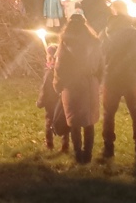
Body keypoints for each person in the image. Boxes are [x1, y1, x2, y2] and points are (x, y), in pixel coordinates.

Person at [101, 0, 136, 159]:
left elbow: (100, 56)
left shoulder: (106, 34)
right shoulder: (135, 33)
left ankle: (108, 147)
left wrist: (101, 75)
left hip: (111, 79)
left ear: (114, 12)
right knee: (135, 112)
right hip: (130, 78)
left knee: (109, 113)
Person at [53, 13, 103, 164]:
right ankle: (87, 155)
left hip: (72, 84)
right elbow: (101, 64)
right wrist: (97, 81)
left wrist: (58, 84)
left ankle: (77, 154)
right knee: (89, 122)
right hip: (89, 83)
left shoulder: (65, 42)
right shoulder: (94, 42)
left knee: (74, 122)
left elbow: (60, 66)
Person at [36, 44, 69, 152]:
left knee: (49, 121)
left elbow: (45, 89)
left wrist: (40, 101)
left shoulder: (50, 72)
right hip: (62, 100)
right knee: (64, 121)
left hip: (51, 102)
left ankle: (49, 144)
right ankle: (65, 144)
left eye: (48, 56)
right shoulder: (62, 70)